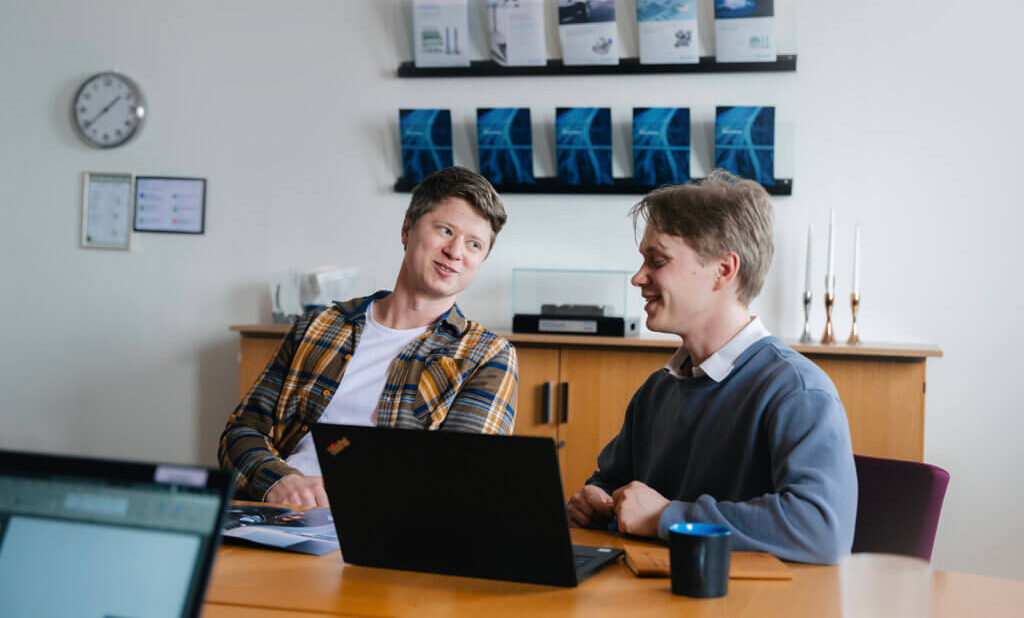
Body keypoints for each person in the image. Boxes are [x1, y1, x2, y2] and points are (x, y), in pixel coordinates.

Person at [566, 171, 857, 564]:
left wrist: (666, 517)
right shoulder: (657, 391)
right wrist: (595, 501)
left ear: (723, 270)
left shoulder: (797, 391)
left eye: (658, 260)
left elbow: (822, 530)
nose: (638, 278)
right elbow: (614, 484)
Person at [220, 167, 518, 506]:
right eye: (445, 230)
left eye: (474, 244)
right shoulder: (319, 325)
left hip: (382, 530)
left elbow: (461, 478)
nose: (455, 251)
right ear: (407, 230)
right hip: (279, 512)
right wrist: (278, 481)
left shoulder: (487, 355)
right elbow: (241, 433)